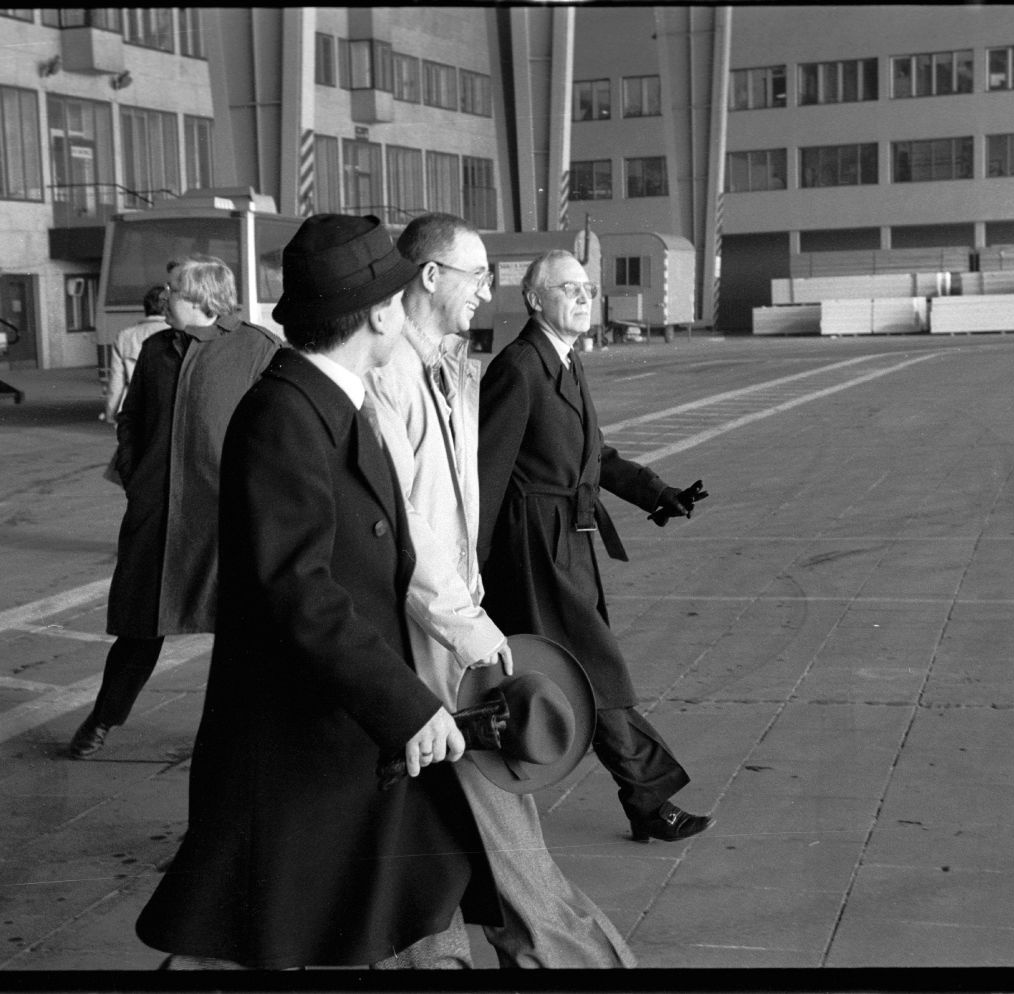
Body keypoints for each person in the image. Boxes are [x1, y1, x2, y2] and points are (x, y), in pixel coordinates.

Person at [134, 214, 499, 969]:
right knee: (266, 930)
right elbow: (298, 590)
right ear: (375, 314)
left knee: (367, 910)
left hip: (342, 730)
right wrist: (405, 704)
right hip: (300, 735)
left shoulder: (335, 400)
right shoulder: (286, 415)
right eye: (400, 298)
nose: (408, 311)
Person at [363, 213, 636, 968]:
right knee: (485, 825)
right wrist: (467, 620)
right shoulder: (390, 377)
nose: (487, 291)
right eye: (477, 275)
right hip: (428, 640)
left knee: (459, 826)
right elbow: (406, 525)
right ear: (429, 276)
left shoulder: (453, 367)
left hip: (454, 630)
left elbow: (455, 507)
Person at [478, 249, 715, 844]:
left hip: (568, 541)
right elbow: (486, 475)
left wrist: (657, 495)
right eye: (568, 288)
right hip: (534, 548)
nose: (584, 297)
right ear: (535, 300)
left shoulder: (564, 362)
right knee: (591, 671)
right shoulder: (520, 368)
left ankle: (641, 797)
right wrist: (470, 570)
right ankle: (647, 797)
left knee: (578, 673)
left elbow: (595, 457)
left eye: (587, 287)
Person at [69, 255, 280, 759]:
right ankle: (102, 718)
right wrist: (136, 473)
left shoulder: (257, 348)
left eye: (174, 293)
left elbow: (278, 430)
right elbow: (132, 416)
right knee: (141, 626)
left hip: (224, 518)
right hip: (158, 513)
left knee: (239, 634)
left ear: (205, 298)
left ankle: (240, 735)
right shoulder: (156, 349)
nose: (165, 300)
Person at [103, 283, 170, 425]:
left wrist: (111, 411)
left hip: (134, 407)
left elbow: (117, 381)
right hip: (167, 406)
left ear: (146, 308)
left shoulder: (125, 336)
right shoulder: (177, 334)